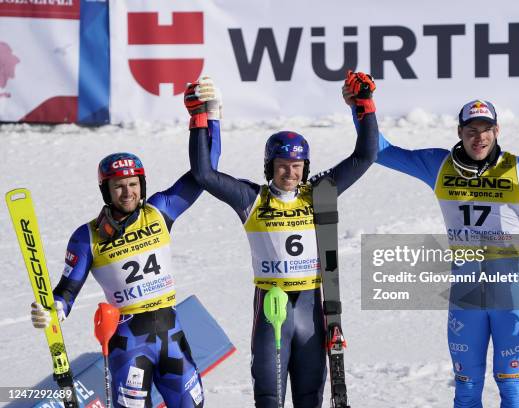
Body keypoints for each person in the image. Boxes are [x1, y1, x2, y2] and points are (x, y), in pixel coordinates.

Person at [351, 98, 519, 408]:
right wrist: (361, 106)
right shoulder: (438, 165)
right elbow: (378, 150)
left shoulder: (518, 168)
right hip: (466, 294)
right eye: (471, 130)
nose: (479, 138)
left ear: (497, 130)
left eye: (486, 129)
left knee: (512, 386)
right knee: (466, 389)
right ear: (460, 132)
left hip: (510, 295)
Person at [184, 72, 378, 407]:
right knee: (269, 398)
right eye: (283, 166)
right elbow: (204, 174)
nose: (291, 173)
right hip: (271, 308)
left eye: (297, 165)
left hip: (311, 309)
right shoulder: (252, 198)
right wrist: (201, 117)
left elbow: (365, 157)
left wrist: (365, 106)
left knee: (309, 398)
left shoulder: (318, 194)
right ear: (269, 166)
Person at [30, 123, 221, 407]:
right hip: (129, 344)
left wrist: (207, 119)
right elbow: (66, 291)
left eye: (133, 184)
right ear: (106, 191)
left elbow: (205, 174)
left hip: (171, 335)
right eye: (118, 186)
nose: (127, 192)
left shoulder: (160, 210)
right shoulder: (87, 237)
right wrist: (52, 310)